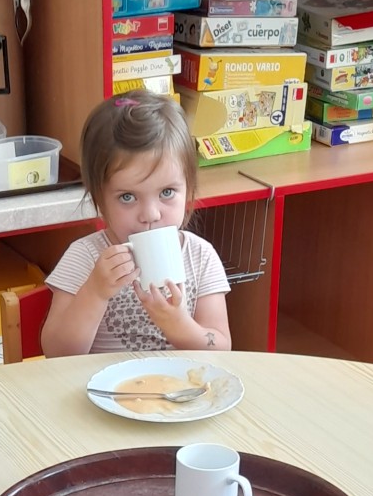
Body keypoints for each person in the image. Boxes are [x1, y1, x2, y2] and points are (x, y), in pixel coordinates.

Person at [39, 94, 232, 355]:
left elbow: (221, 349)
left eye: (167, 192)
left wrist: (178, 325)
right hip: (102, 382)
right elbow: (56, 353)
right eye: (127, 197)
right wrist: (94, 292)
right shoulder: (85, 258)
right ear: (99, 199)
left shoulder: (200, 257)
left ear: (188, 188)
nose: (150, 214)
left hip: (180, 382)